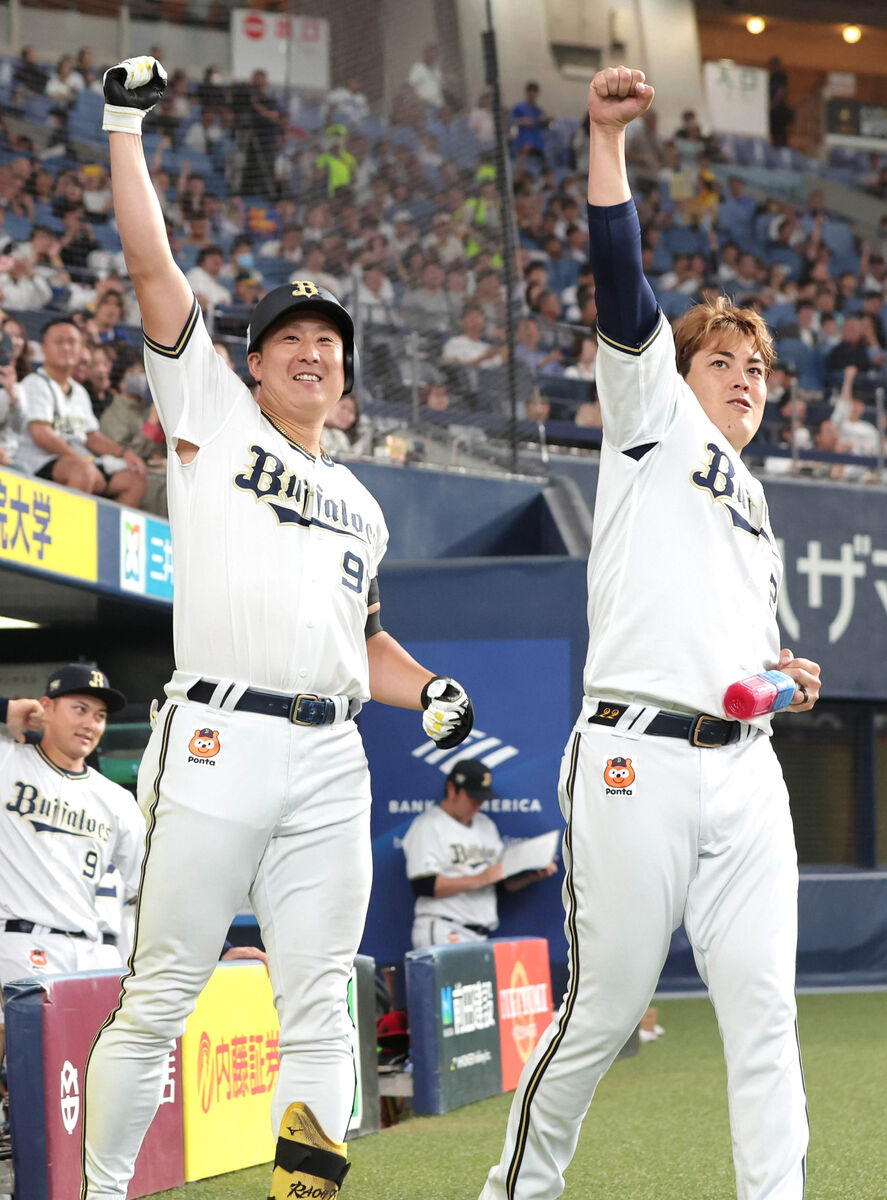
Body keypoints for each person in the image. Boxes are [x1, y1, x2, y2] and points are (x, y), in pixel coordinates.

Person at [83, 56, 478, 1200]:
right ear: (251, 364)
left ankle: (301, 1194)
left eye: (328, 343)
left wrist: (426, 688)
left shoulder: (361, 502)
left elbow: (364, 645)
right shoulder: (210, 417)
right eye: (289, 338)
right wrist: (122, 128)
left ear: (344, 376)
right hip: (218, 737)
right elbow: (152, 267)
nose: (311, 352)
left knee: (319, 1000)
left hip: (331, 757)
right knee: (162, 992)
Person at [479, 66, 821, 1200]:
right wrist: (605, 141)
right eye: (721, 360)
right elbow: (619, 278)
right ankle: (515, 1190)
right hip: (635, 758)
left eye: (756, 367)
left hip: (745, 772)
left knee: (764, 1011)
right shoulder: (649, 420)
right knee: (605, 1005)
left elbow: (726, 639)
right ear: (678, 375)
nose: (744, 377)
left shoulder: (751, 498)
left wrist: (777, 674)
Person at [0, 665, 145, 1100]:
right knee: (25, 1070)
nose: (90, 724)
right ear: (44, 707)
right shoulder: (7, 761)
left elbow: (154, 887)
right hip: (20, 941)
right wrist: (6, 709)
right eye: (79, 708)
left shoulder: (116, 800)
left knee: (84, 1088)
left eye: (99, 715)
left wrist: (223, 947)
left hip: (92, 954)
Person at [403, 759, 556, 949]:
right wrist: (479, 879)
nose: (477, 804)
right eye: (472, 797)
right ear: (452, 789)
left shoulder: (486, 825)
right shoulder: (427, 825)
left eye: (481, 799)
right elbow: (424, 885)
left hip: (479, 934)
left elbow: (498, 883)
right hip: (444, 927)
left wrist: (531, 875)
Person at [16, 317, 148, 506]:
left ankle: (102, 527)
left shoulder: (79, 392)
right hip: (39, 461)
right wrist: (82, 461)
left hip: (78, 461)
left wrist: (124, 453)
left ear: (81, 348)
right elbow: (41, 435)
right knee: (82, 472)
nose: (66, 347)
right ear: (44, 348)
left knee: (134, 481)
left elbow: (92, 437)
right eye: (59, 342)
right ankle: (65, 525)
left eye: (72, 342)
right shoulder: (34, 383)